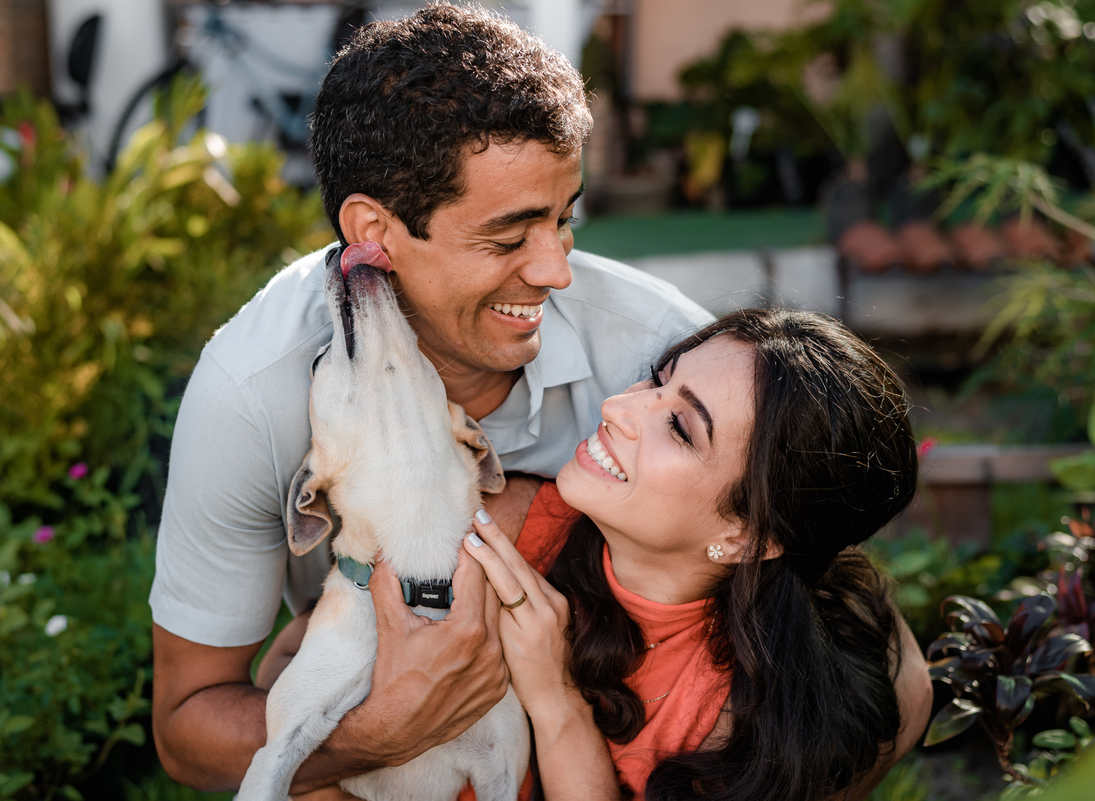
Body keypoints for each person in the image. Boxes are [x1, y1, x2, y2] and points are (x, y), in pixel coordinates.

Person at [149, 4, 711, 795]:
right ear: (373, 231)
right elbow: (187, 724)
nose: (555, 270)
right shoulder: (253, 390)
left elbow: (865, 659)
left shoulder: (663, 356)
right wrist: (384, 727)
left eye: (565, 218)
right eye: (510, 237)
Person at [461, 308, 934, 801]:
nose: (617, 406)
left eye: (680, 428)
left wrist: (557, 700)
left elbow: (911, 690)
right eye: (655, 380)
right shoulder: (508, 527)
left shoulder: (743, 728)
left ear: (744, 539)